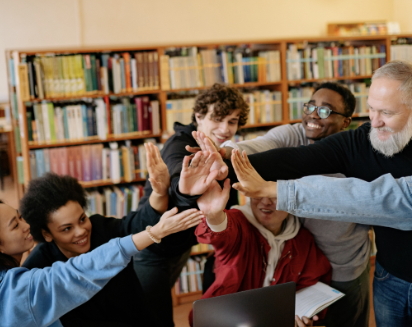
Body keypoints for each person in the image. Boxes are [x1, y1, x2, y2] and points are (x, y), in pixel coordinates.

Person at [218, 60, 412, 326]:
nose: (374, 122)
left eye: (386, 113)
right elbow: (296, 159)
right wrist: (222, 165)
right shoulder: (365, 139)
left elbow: (384, 199)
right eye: (370, 109)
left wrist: (275, 189)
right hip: (389, 276)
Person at [209, 82, 371, 327]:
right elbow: (259, 144)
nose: (313, 115)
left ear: (346, 121)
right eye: (310, 106)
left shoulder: (355, 151)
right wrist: (227, 151)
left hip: (342, 266)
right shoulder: (295, 134)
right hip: (302, 263)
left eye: (325, 111)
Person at [20, 143, 204, 326]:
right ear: (47, 234)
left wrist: (159, 191)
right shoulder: (38, 268)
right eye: (67, 228)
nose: (81, 231)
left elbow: (138, 224)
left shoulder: (101, 228)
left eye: (82, 219)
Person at [134, 83, 249, 325]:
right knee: (155, 320)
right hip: (150, 245)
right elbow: (177, 172)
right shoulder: (180, 144)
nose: (225, 128)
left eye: (232, 121)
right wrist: (186, 186)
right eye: (218, 119)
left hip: (180, 244)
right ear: (198, 116)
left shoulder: (222, 152)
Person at [180, 151, 332, 327]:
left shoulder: (301, 238)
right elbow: (222, 232)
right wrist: (214, 216)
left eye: (274, 194)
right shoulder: (240, 222)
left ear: (291, 198)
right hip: (227, 319)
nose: (265, 202)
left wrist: (302, 313)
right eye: (257, 192)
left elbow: (310, 281)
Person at [0, 200, 202, 327]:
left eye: (20, 217)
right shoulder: (24, 284)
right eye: (15, 225)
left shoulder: (100, 227)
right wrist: (154, 233)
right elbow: (78, 272)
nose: (27, 226)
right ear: (48, 233)